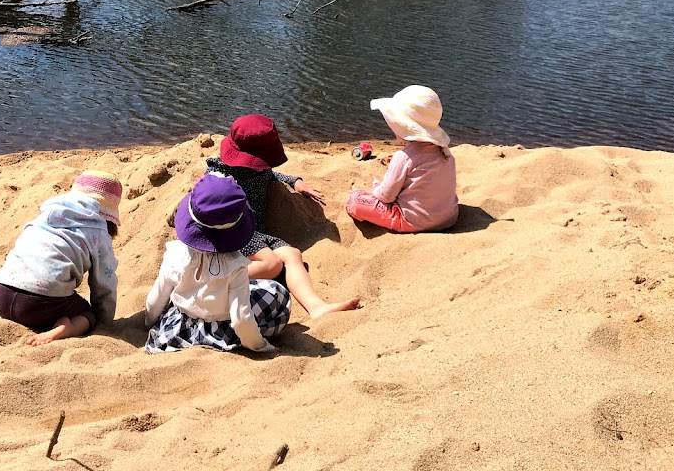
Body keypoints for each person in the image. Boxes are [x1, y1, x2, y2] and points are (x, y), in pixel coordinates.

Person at [207, 114, 361, 320]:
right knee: (273, 265)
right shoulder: (220, 171)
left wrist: (297, 182)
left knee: (293, 254)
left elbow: (273, 175)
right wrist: (222, 186)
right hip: (234, 231)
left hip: (256, 232)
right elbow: (204, 194)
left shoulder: (260, 169)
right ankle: (215, 282)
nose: (262, 166)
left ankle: (316, 306)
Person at [0, 170, 122, 346]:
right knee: (87, 314)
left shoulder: (47, 214)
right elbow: (104, 283)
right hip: (43, 307)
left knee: (13, 285)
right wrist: (104, 319)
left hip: (2, 292)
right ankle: (68, 328)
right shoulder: (99, 233)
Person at [145, 174, 290, 354]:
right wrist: (260, 346)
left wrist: (150, 323)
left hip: (181, 326)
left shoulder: (174, 254)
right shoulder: (236, 265)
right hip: (224, 331)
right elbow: (241, 319)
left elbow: (156, 299)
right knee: (277, 293)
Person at [346, 85, 459, 233]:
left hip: (414, 220)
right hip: (449, 218)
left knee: (354, 200)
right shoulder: (445, 151)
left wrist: (375, 186)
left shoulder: (403, 157)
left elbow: (385, 196)